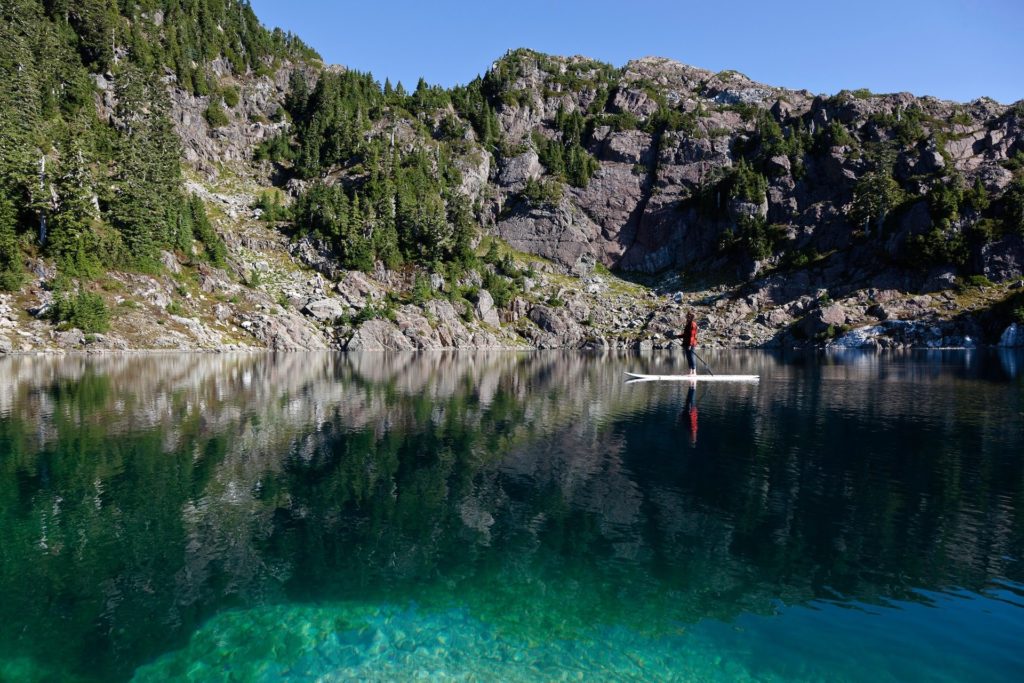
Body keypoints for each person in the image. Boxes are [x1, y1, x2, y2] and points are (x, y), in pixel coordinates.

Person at [682, 311, 698, 376]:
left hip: (691, 344)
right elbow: (686, 334)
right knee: (688, 357)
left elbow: (692, 335)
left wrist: (690, 344)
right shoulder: (688, 324)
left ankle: (694, 372)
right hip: (687, 343)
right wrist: (677, 336)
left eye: (688, 317)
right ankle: (690, 372)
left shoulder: (693, 324)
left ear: (691, 317)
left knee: (692, 357)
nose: (687, 318)